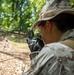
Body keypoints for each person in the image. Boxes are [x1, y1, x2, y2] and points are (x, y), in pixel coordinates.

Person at [23, 0, 74, 75]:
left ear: (48, 25)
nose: (41, 34)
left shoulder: (52, 52)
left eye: (40, 28)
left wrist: (39, 56)